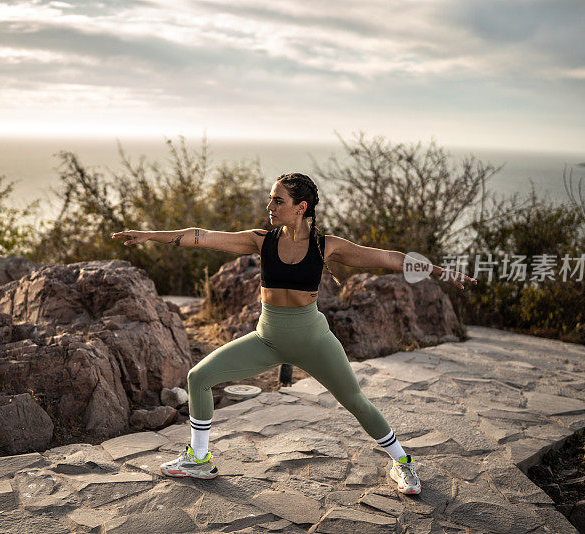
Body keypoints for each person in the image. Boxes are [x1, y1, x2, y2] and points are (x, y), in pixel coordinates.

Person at [111, 172, 477, 495]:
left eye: (278, 200)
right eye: (271, 198)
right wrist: (149, 235)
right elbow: (200, 237)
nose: (270, 205)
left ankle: (402, 461)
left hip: (314, 341)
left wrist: (443, 272)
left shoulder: (325, 245)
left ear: (301, 207)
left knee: (355, 401)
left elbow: (390, 259)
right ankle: (198, 458)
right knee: (199, 377)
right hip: (267, 338)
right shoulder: (260, 240)